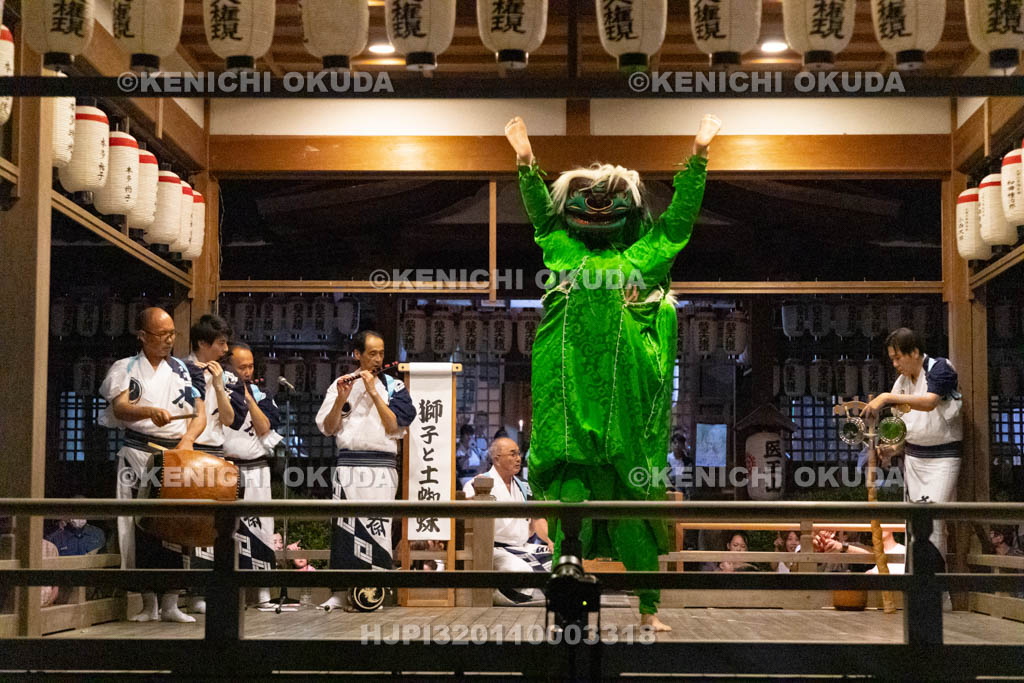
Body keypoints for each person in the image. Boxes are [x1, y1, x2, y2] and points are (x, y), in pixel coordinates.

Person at [506, 112, 721, 631]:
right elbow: (541, 218)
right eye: (586, 198)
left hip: (624, 424)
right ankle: (563, 610)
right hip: (571, 421)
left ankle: (649, 611)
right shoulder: (564, 252)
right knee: (569, 522)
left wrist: (698, 156)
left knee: (633, 524)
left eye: (612, 198)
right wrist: (526, 161)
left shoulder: (645, 257)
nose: (598, 207)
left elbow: (678, 223)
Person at [98, 307, 206, 623]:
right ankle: (148, 604)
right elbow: (120, 408)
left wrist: (188, 441)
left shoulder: (183, 371)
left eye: (172, 334)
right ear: (143, 336)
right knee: (140, 526)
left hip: (174, 455)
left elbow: (198, 413)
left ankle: (172, 603)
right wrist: (149, 412)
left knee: (175, 527)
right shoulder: (125, 367)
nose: (169, 340)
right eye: (162, 335)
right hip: (139, 452)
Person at [315, 330, 416, 611]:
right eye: (371, 353)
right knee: (344, 527)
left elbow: (395, 425)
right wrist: (340, 398)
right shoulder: (340, 383)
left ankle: (375, 592)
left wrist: (372, 391)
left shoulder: (394, 386)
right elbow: (329, 428)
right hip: (349, 464)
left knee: (377, 526)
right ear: (357, 354)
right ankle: (338, 591)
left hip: (381, 467)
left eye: (381, 353)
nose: (377, 358)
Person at [861, 327, 962, 563]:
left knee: (934, 524)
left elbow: (929, 402)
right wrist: (892, 449)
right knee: (913, 528)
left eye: (898, 357)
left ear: (914, 352)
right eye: (892, 359)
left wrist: (886, 397)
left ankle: (938, 598)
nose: (895, 364)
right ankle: (918, 595)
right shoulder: (902, 383)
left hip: (943, 459)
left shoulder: (940, 368)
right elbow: (904, 427)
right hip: (914, 459)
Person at [184, 314, 243, 615]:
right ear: (203, 343)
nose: (225, 349)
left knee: (215, 524)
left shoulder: (228, 375)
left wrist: (219, 385)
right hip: (188, 451)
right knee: (189, 523)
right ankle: (190, 591)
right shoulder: (180, 369)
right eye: (220, 343)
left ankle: (211, 589)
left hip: (216, 450)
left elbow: (231, 420)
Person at [225, 342, 284, 607]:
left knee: (261, 530)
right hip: (225, 469)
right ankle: (220, 595)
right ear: (228, 367)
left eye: (250, 366)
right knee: (225, 533)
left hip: (257, 469)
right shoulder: (220, 393)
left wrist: (248, 397)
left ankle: (262, 594)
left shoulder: (261, 394)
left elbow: (265, 428)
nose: (247, 372)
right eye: (241, 367)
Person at [463, 437, 553, 605]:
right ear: (496, 458)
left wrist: (549, 540)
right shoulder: (478, 483)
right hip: (494, 549)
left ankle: (521, 592)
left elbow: (537, 518)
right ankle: (499, 593)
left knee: (557, 560)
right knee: (519, 571)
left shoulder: (523, 486)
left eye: (519, 454)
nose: (519, 458)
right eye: (513, 454)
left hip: (522, 547)